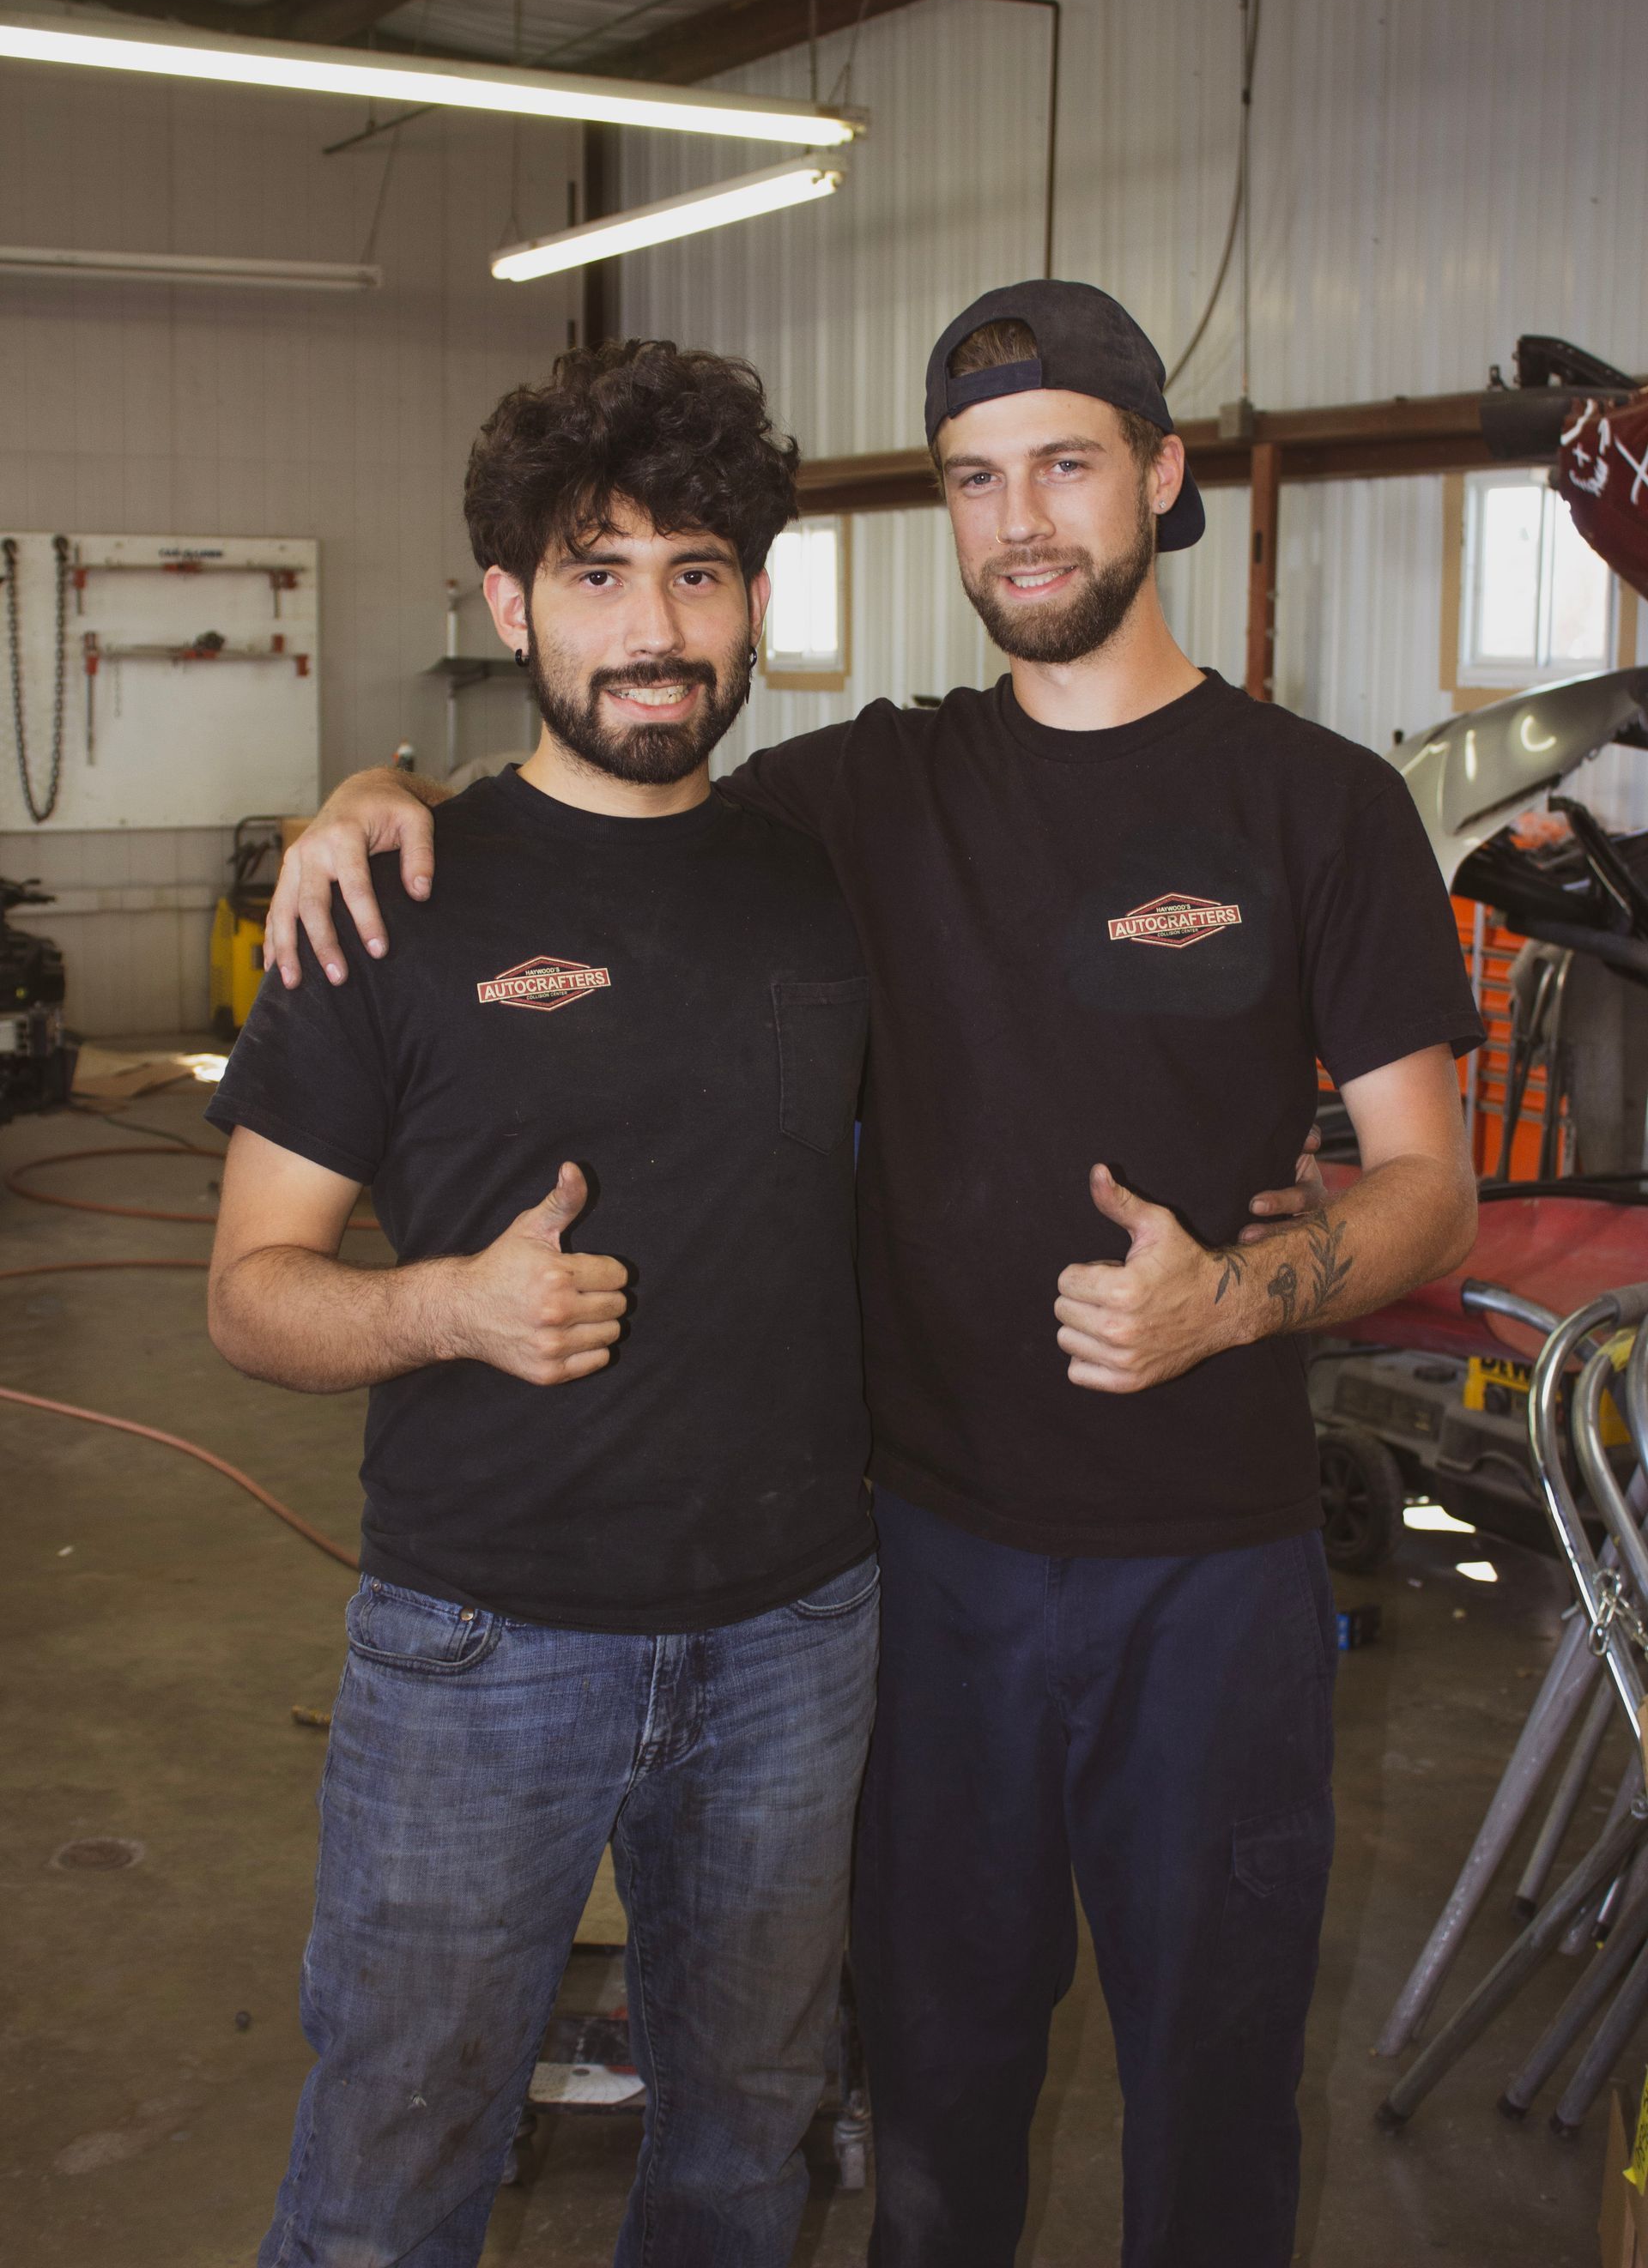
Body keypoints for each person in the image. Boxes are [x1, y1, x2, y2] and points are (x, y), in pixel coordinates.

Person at [267, 280, 1483, 2268]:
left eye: (1067, 466)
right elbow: (600, 801)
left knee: (1212, 2079)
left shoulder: (1320, 803)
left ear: (1163, 481)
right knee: (930, 2089)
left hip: (1217, 1572)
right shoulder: (855, 801)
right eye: (974, 480)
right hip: (921, 1581)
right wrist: (371, 793)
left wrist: (1232, 1301)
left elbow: (1431, 1189)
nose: (1021, 521)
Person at [205, 341, 883, 2268]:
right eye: (597, 575)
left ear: (755, 597)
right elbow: (250, 1296)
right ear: (509, 607)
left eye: (698, 569)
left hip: (794, 1635)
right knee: (395, 2159)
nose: (655, 629)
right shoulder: (389, 892)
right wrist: (446, 1312)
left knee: (749, 2143)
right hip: (477, 1647)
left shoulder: (830, 877)